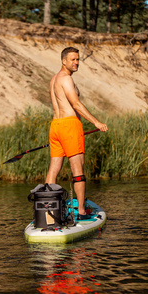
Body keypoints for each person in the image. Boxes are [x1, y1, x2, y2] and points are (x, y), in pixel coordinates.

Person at [45, 47, 108, 220]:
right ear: (63, 61)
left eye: (78, 59)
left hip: (55, 125)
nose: (76, 62)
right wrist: (96, 122)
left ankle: (47, 212)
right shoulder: (66, 79)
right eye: (72, 59)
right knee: (77, 169)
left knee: (53, 169)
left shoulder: (53, 79)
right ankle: (81, 212)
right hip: (69, 125)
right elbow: (76, 105)